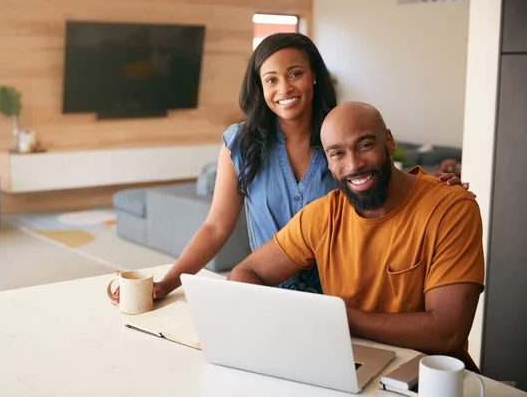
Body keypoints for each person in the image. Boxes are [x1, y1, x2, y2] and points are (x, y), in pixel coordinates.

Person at [152, 33, 469, 300]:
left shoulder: (340, 137)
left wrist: (434, 190)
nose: (284, 88)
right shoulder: (240, 143)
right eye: (271, 79)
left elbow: (382, 185)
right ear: (260, 88)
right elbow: (216, 227)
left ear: (314, 74)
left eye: (294, 74)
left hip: (343, 296)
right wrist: (169, 282)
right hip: (264, 290)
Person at [227, 102, 485, 372]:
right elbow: (247, 271)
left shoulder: (450, 208)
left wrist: (337, 317)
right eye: (337, 153)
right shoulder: (323, 214)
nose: (353, 165)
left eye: (364, 146)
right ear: (328, 160)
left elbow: (447, 333)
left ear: (388, 141)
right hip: (348, 367)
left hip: (427, 376)